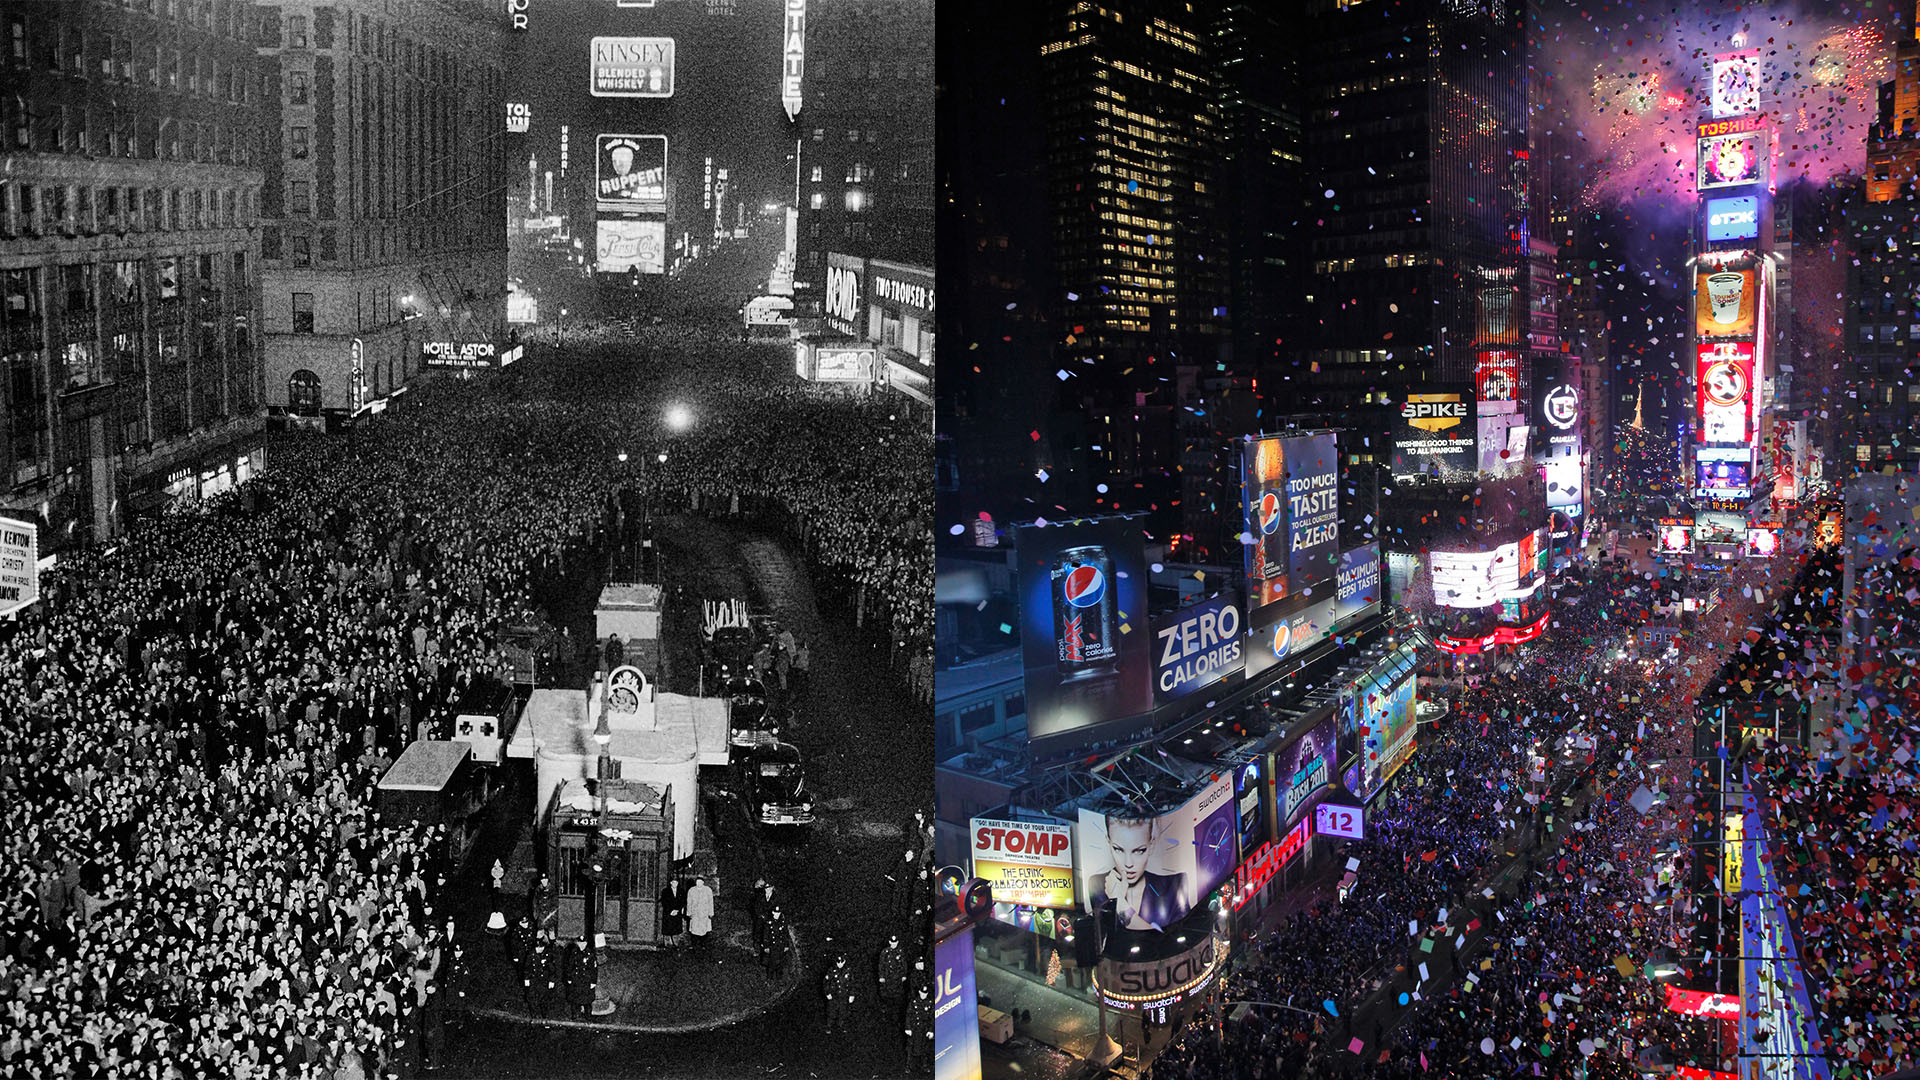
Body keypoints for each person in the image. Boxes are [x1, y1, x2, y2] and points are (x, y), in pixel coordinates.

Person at [1089, 815, 1187, 931]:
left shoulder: (1174, 885)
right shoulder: (1098, 885)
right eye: (1118, 849)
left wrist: (1120, 903)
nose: (1128, 863)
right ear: (1108, 843)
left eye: (1139, 851)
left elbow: (1165, 939)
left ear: (1151, 845)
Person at [875, 931, 909, 1018]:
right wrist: (881, 976)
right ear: (890, 942)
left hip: (897, 977)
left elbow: (904, 964)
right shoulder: (885, 952)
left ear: (897, 942)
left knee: (898, 995)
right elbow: (881, 964)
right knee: (886, 995)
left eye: (895, 942)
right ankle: (886, 1012)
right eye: (892, 942)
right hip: (887, 977)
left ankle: (896, 1013)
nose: (894, 944)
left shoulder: (900, 952)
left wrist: (904, 975)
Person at [823, 952, 856, 1035]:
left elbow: (852, 983)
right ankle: (829, 1026)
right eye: (838, 962)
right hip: (834, 995)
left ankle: (841, 1026)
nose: (840, 964)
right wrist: (827, 993)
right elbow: (826, 982)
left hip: (844, 994)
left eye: (841, 962)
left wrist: (852, 994)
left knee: (843, 1011)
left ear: (844, 962)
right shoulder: (831, 970)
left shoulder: (848, 970)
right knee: (832, 1011)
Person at [685, 876, 714, 956]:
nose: (699, 884)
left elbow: (710, 902)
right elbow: (689, 902)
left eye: (700, 882)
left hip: (704, 914)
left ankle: (703, 946)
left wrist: (710, 913)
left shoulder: (708, 890)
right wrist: (689, 913)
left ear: (703, 882)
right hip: (695, 914)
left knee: (704, 931)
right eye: (697, 882)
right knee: (694, 931)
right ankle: (695, 947)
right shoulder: (691, 890)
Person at [659, 877, 685, 945]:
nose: (675, 884)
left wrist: (678, 910)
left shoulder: (681, 891)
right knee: (667, 929)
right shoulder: (665, 891)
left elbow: (683, 902)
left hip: (677, 913)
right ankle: (667, 944)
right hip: (668, 913)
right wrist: (670, 911)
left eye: (676, 882)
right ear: (670, 883)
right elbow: (664, 902)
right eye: (673, 882)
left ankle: (676, 944)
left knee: (676, 930)